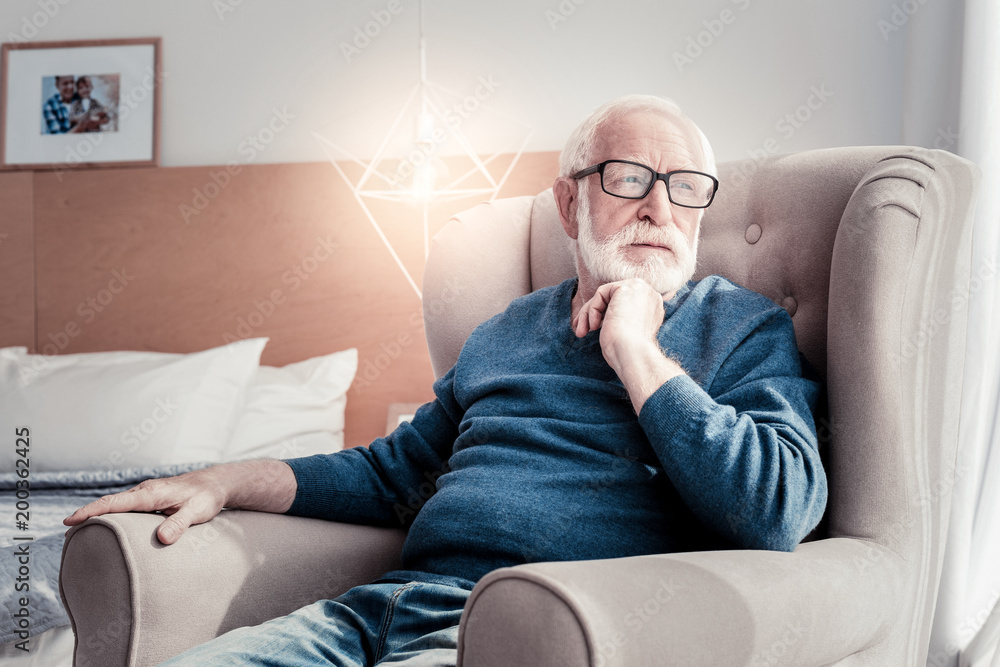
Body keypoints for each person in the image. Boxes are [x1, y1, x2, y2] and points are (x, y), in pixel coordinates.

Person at [64, 94, 828, 666]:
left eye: (686, 185)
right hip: (374, 612)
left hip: (512, 635)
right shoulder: (505, 330)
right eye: (629, 178)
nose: (660, 206)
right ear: (570, 203)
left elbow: (778, 507)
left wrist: (636, 349)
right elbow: (392, 473)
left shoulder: (741, 328)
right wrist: (230, 479)